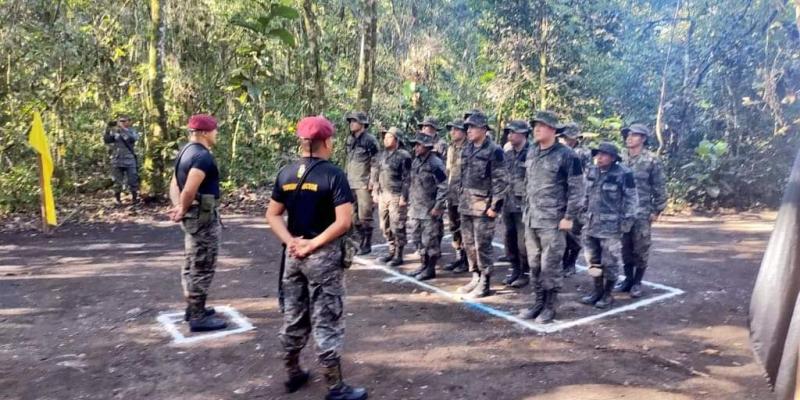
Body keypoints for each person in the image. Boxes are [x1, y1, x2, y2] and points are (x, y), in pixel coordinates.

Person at [265, 116, 368, 400]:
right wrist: (313, 245)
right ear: (326, 142)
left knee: (294, 314)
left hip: (294, 255)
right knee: (327, 317)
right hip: (322, 257)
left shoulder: (286, 173)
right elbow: (343, 222)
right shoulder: (333, 175)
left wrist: (292, 243)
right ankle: (335, 387)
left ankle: (293, 372)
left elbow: (272, 214)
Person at [517, 110, 584, 323]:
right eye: (535, 125)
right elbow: (528, 184)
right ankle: (538, 301)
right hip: (532, 218)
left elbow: (577, 189)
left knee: (550, 265)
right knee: (534, 263)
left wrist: (569, 217)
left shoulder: (567, 155)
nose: (536, 128)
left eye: (542, 125)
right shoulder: (532, 151)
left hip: (553, 221)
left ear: (553, 130)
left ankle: (549, 306)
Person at [167, 114, 228, 332]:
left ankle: (193, 306)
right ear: (204, 132)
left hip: (192, 215)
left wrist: (179, 207)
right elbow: (190, 187)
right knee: (203, 264)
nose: (216, 134)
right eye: (214, 130)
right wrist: (182, 208)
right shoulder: (202, 157)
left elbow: (174, 182)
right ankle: (198, 316)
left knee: (191, 261)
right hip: (201, 217)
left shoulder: (185, 151)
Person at [579, 142, 638, 309]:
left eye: (604, 155)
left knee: (610, 263)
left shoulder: (624, 174)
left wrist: (626, 224)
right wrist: (581, 215)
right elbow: (585, 195)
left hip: (611, 227)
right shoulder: (591, 170)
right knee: (593, 262)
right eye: (598, 154)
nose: (599, 157)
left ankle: (607, 294)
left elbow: (631, 199)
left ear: (613, 158)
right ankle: (597, 290)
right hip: (591, 224)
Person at [456, 112, 508, 298]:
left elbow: (501, 181)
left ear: (484, 129)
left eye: (472, 127)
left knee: (482, 245)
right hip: (466, 204)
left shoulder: (495, 150)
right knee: (469, 244)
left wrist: (495, 206)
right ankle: (475, 276)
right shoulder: (467, 148)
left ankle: (485, 282)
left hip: (484, 207)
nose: (468, 130)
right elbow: (462, 177)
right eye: (467, 127)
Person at [616, 124, 668, 297]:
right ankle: (628, 279)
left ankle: (637, 282)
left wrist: (657, 209)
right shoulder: (620, 158)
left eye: (634, 135)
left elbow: (659, 186)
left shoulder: (651, 160)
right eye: (627, 135)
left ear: (643, 139)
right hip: (622, 211)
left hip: (642, 211)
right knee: (625, 247)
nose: (629, 138)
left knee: (641, 247)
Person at [405, 133, 448, 281]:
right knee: (417, 238)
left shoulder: (435, 163)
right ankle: (423, 264)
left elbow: (443, 186)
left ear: (427, 146)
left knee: (430, 241)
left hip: (430, 209)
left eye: (418, 145)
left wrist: (438, 206)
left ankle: (430, 269)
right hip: (416, 208)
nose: (415, 147)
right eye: (415, 145)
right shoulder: (416, 161)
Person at [372, 127, 412, 267]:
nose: (385, 139)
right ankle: (391, 249)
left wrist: (404, 197)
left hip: (396, 195)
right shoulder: (381, 155)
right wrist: (375, 192)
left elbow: (407, 178)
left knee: (397, 225)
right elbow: (376, 174)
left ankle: (398, 254)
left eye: (389, 137)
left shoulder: (404, 156)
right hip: (383, 194)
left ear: (397, 140)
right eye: (385, 137)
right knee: (384, 225)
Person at [558, 123, 592, 277]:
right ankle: (564, 262)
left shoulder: (583, 153)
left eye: (568, 137)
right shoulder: (559, 151)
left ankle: (571, 263)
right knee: (563, 233)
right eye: (564, 137)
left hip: (579, 198)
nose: (565, 140)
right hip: (562, 197)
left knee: (574, 233)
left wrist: (585, 200)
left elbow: (588, 177)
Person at [344, 111, 380, 256]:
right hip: (350, 181)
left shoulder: (370, 140)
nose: (351, 123)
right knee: (352, 215)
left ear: (362, 124)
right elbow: (348, 160)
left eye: (355, 121)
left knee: (365, 215)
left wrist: (373, 181)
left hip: (363, 182)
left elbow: (376, 162)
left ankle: (367, 242)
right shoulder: (350, 139)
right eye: (351, 121)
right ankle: (357, 240)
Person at [502, 120, 531, 288]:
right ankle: (514, 269)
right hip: (508, 202)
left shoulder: (532, 153)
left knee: (523, 242)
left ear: (523, 134)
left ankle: (524, 273)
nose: (509, 135)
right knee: (509, 238)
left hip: (524, 205)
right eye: (509, 132)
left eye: (513, 132)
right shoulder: (508, 153)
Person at [442, 118, 469, 273]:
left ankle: (466, 260)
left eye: (456, 129)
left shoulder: (469, 148)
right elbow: (448, 170)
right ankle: (459, 258)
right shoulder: (451, 147)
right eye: (451, 129)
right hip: (452, 193)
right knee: (454, 228)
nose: (452, 132)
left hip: (464, 195)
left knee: (464, 228)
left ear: (464, 132)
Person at [103, 115, 140, 205]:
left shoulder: (132, 131)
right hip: (117, 160)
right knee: (117, 181)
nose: (122, 123)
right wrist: (108, 128)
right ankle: (117, 199)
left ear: (129, 122)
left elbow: (132, 139)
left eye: (124, 121)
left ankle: (134, 199)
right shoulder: (115, 132)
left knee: (133, 180)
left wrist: (122, 129)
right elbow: (107, 140)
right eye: (120, 121)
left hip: (130, 160)